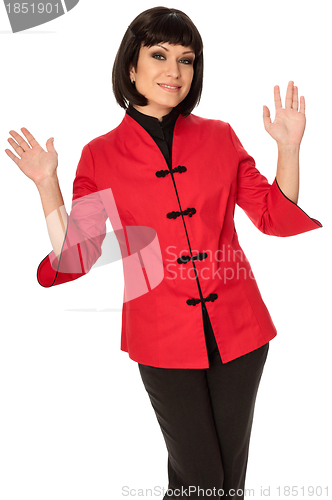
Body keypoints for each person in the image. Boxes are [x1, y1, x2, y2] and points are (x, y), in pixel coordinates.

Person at [5, 6, 322, 500]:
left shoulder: (220, 136)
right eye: (159, 55)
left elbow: (274, 219)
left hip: (241, 331)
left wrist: (289, 149)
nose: (174, 71)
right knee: (202, 481)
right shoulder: (100, 154)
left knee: (226, 482)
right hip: (159, 336)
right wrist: (47, 184)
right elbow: (78, 256)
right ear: (131, 66)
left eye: (186, 59)